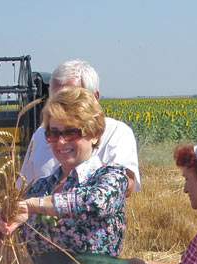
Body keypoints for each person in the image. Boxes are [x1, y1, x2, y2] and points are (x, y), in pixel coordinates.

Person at [0, 87, 135, 264]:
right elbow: (27, 241)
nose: (60, 141)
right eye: (53, 133)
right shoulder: (40, 186)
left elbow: (95, 202)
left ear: (94, 133)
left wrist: (34, 206)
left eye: (71, 132)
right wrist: (5, 232)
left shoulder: (111, 176)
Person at [20, 59, 140, 195]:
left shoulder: (117, 132)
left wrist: (42, 204)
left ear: (94, 98)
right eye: (56, 99)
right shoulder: (40, 135)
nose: (61, 141)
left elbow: (123, 187)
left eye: (72, 99)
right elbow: (23, 190)